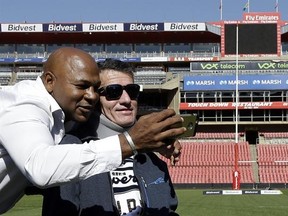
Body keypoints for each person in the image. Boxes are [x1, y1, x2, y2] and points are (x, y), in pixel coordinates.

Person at [0, 47, 185, 214]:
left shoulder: (66, 117)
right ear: (49, 81)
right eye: (112, 91)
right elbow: (41, 168)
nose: (91, 96)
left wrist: (153, 140)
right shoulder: (23, 105)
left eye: (133, 90)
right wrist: (132, 141)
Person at [42, 58, 180, 216]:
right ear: (94, 99)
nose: (127, 100)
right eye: (114, 92)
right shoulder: (71, 149)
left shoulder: (153, 161)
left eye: (132, 91)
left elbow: (169, 210)